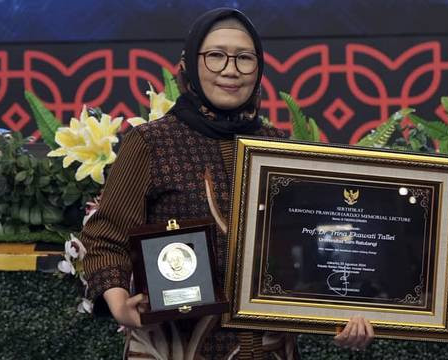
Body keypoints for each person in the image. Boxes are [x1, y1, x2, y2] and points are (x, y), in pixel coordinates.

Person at [81, 7, 374, 359]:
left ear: (259, 68)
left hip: (270, 349)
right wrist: (117, 303)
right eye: (216, 56)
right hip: (176, 347)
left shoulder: (279, 149)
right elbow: (106, 236)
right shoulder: (151, 143)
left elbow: (314, 247)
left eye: (244, 58)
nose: (231, 70)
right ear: (190, 63)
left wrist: (346, 311)